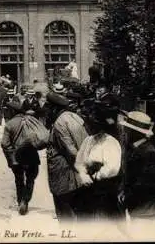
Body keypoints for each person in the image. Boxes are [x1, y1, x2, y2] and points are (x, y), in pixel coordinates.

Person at [75, 95, 123, 220]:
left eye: (90, 124)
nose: (87, 127)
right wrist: (83, 174)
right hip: (87, 189)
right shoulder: (88, 140)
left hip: (104, 191)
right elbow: (79, 161)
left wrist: (97, 175)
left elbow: (112, 168)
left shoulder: (109, 142)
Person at [46, 92, 88, 222]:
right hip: (77, 177)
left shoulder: (59, 123)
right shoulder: (73, 116)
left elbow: (71, 151)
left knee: (65, 216)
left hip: (64, 177)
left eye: (48, 108)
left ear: (54, 108)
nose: (47, 112)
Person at [119, 111, 155, 220]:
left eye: (127, 129)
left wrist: (126, 195)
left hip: (148, 212)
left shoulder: (149, 153)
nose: (124, 132)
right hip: (138, 209)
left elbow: (147, 184)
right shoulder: (136, 149)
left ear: (135, 132)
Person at [1, 100, 41, 215]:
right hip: (32, 154)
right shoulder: (32, 121)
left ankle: (20, 201)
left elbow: (4, 143)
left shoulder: (10, 124)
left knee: (19, 179)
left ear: (13, 111)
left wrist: (10, 151)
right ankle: (25, 200)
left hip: (17, 156)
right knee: (30, 179)